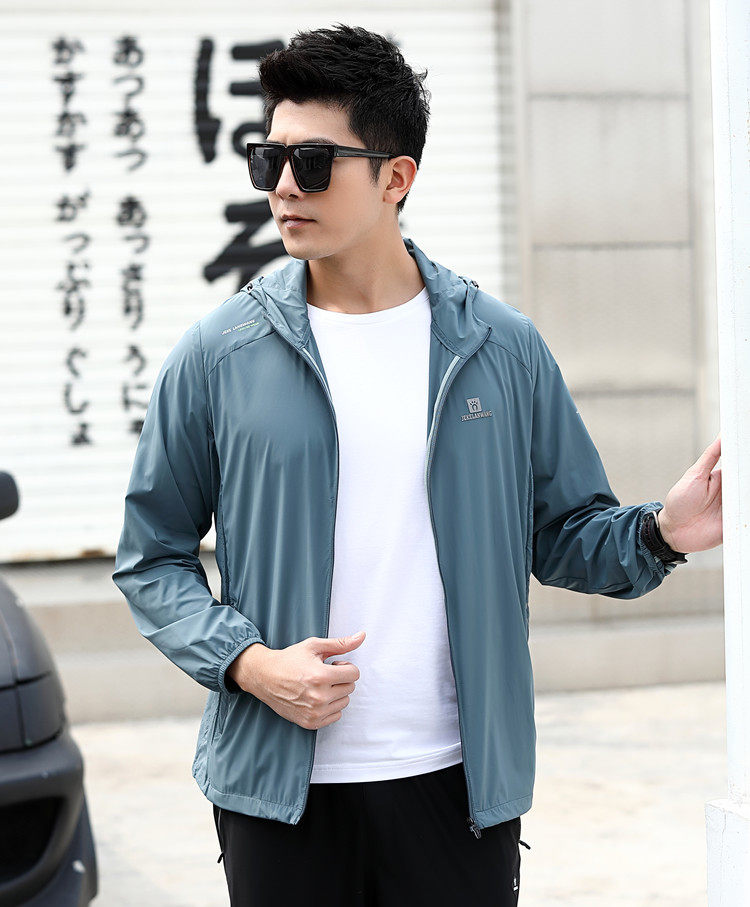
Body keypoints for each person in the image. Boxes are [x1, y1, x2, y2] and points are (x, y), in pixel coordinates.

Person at [112, 22, 723, 907]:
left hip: (456, 788)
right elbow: (151, 556)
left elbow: (563, 535)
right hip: (280, 799)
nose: (284, 186)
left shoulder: (499, 348)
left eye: (313, 162)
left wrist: (664, 532)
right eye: (269, 160)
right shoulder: (219, 353)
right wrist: (248, 662)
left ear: (395, 177)